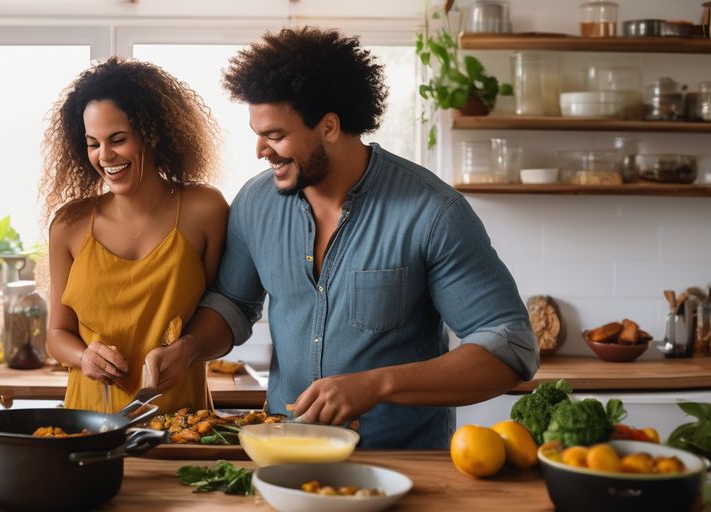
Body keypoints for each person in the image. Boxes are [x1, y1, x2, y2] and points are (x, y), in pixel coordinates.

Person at [145, 27, 540, 449]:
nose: (261, 150)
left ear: (329, 126)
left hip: (402, 463)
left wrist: (377, 385)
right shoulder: (254, 203)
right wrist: (187, 349)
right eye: (257, 133)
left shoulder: (433, 212)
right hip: (283, 454)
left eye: (276, 135)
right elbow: (233, 305)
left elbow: (509, 349)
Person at [41, 56, 228, 414]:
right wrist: (85, 356)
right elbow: (56, 335)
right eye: (93, 143)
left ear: (152, 133)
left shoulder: (205, 210)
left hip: (180, 422)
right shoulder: (68, 225)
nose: (105, 156)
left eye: (118, 139)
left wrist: (187, 347)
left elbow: (224, 315)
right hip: (88, 422)